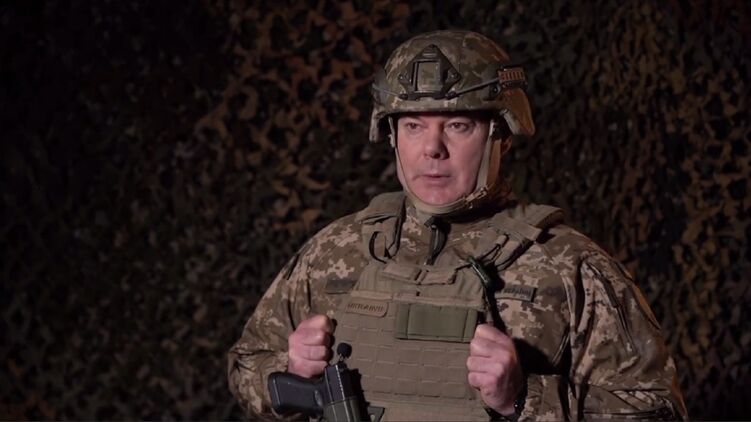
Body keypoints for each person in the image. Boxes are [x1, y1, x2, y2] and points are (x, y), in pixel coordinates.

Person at [228, 30, 687, 420]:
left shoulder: (567, 267)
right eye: (413, 126)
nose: (432, 148)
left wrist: (524, 398)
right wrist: (286, 370)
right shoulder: (336, 250)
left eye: (458, 125)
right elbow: (245, 366)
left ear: (500, 135)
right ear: (391, 136)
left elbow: (657, 411)